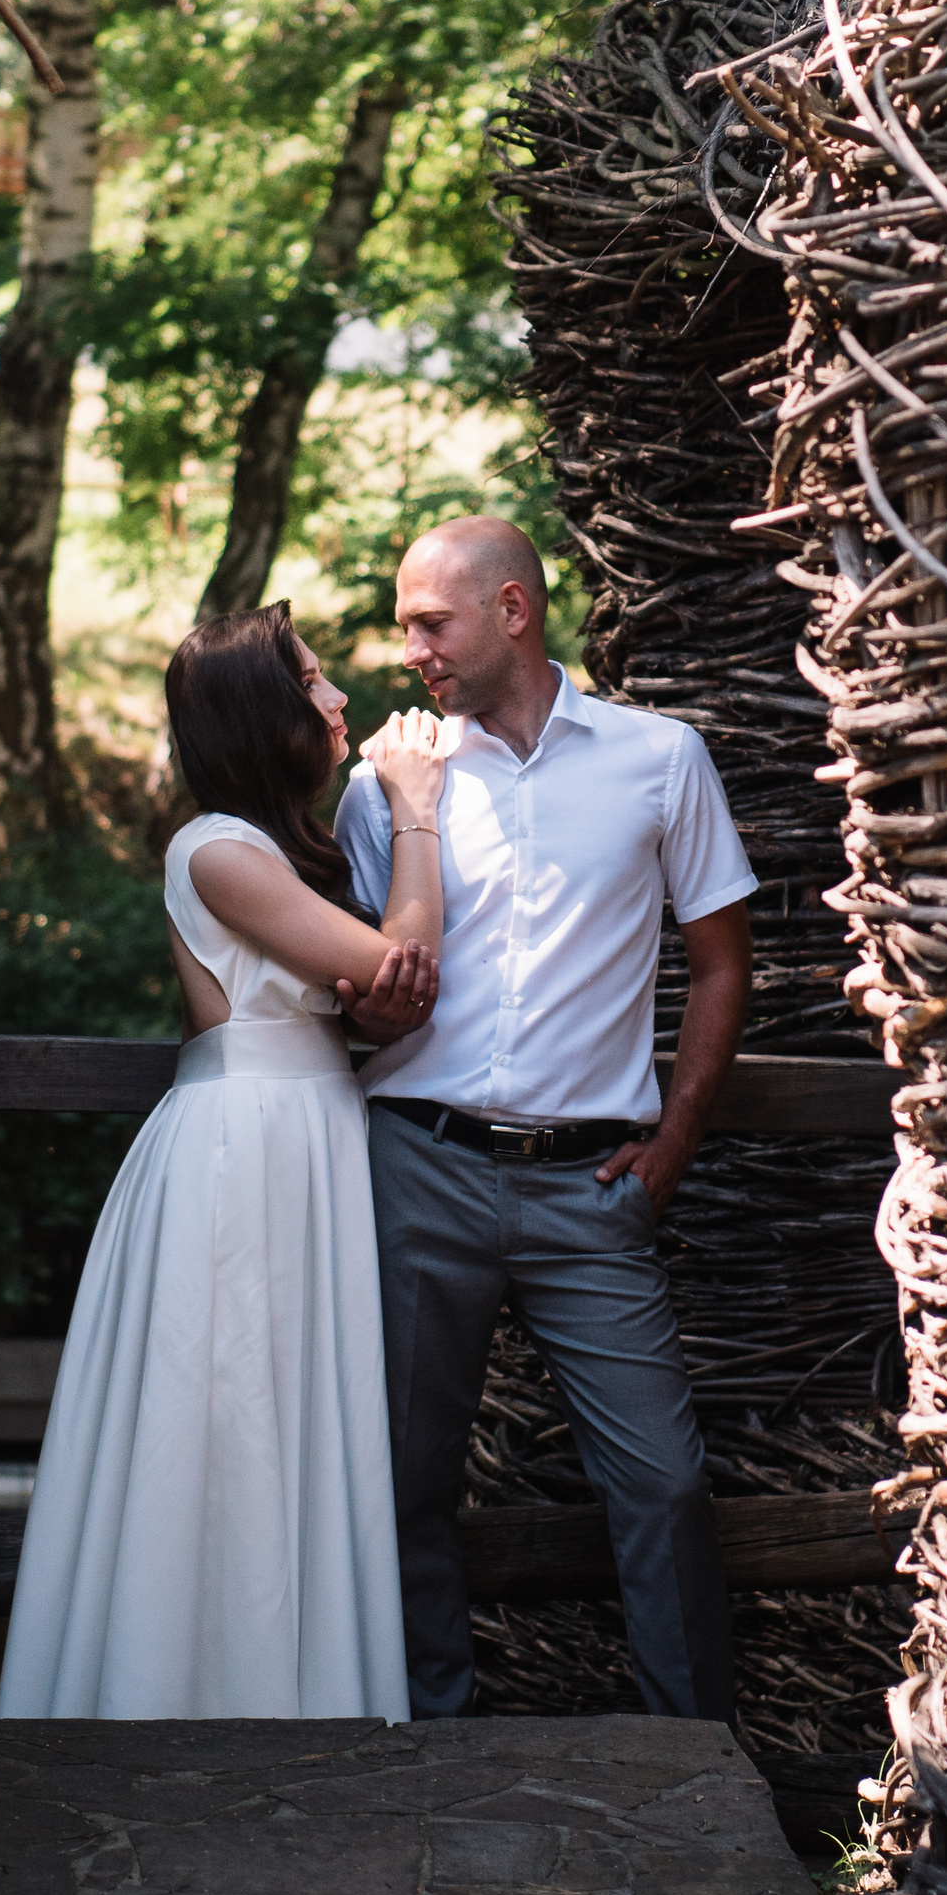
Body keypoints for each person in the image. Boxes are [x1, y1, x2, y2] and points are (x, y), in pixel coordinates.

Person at [334, 517, 758, 1724]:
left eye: (430, 620)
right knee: (404, 1480)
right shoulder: (392, 781)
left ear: (511, 610)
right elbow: (361, 986)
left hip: (592, 1190)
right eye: (405, 621)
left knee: (664, 1484)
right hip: (417, 1165)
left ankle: (692, 1761)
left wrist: (672, 1143)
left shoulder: (659, 758)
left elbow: (722, 961)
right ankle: (431, 1734)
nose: (408, 645)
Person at [0, 602, 445, 1721]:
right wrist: (420, 812)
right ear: (261, 713)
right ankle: (183, 1693)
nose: (339, 696)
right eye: (313, 679)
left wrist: (378, 998)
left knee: (293, 1409)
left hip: (309, 1136)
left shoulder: (288, 852)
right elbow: (401, 959)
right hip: (242, 1154)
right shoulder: (216, 850)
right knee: (227, 1409)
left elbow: (384, 1002)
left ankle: (301, 1691)